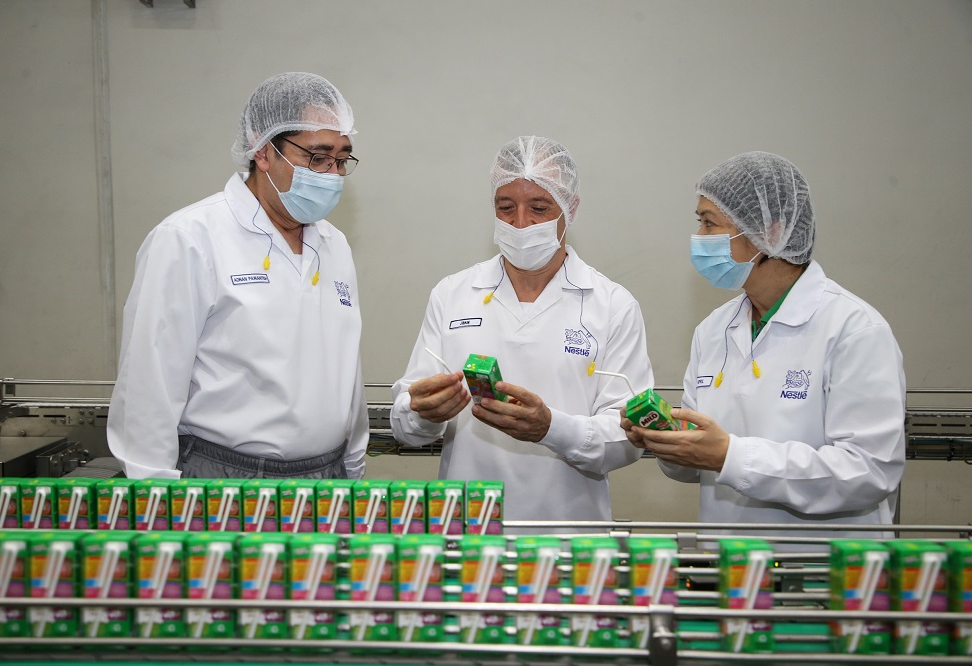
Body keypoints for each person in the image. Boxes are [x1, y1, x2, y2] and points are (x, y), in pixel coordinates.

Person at [621, 151, 905, 538]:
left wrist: (731, 456)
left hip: (822, 564)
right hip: (728, 562)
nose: (699, 238)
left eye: (709, 223)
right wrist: (664, 439)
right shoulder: (714, 330)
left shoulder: (854, 329)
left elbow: (868, 472)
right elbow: (696, 466)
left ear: (770, 233)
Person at [108, 72, 367, 480]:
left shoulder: (334, 245)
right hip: (226, 474)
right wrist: (154, 493)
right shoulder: (191, 238)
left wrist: (352, 465)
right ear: (263, 152)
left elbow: (346, 368)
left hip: (326, 474)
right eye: (317, 157)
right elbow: (149, 381)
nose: (332, 174)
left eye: (341, 159)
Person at [391, 136, 653, 529]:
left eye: (539, 208)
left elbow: (628, 437)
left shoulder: (612, 305)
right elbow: (406, 423)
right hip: (470, 530)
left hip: (569, 534)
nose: (520, 223)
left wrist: (551, 428)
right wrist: (422, 414)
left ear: (570, 209)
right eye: (506, 207)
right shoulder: (453, 294)